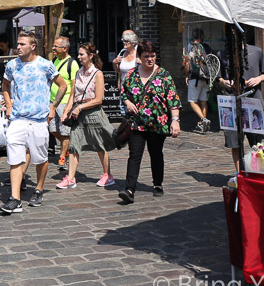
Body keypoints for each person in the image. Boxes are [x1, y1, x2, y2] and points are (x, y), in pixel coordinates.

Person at [0, 31, 68, 213]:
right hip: (18, 119)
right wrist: (8, 104)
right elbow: (5, 85)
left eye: (22, 44)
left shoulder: (45, 65)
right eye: (18, 44)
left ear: (33, 46)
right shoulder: (12, 65)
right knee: (15, 158)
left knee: (40, 158)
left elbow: (63, 85)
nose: (18, 47)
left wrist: (53, 106)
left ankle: (38, 188)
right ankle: (15, 199)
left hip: (38, 119)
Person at [119, 40, 181, 204]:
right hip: (136, 123)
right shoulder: (132, 74)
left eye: (153, 56)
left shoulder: (164, 75)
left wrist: (175, 120)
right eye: (146, 56)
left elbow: (173, 100)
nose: (150, 59)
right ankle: (129, 189)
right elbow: (123, 92)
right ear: (139, 57)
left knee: (156, 154)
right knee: (134, 156)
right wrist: (127, 103)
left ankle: (157, 184)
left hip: (157, 123)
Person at [59, 43, 117, 189]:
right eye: (78, 54)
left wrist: (80, 107)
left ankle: (107, 175)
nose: (78, 57)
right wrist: (67, 110)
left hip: (93, 113)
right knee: (74, 145)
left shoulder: (97, 74)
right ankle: (71, 178)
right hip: (78, 115)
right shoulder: (78, 72)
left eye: (82, 54)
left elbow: (99, 99)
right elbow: (73, 94)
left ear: (90, 56)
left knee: (99, 144)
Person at [217, 38, 264, 185]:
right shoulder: (222, 54)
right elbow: (219, 77)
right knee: (235, 142)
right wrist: (224, 82)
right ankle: (239, 173)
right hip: (231, 103)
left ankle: (259, 173)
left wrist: (259, 78)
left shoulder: (256, 51)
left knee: (260, 142)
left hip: (253, 102)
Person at [47, 37, 79, 174]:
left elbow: (73, 85)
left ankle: (62, 157)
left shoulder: (72, 64)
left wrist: (69, 105)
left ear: (64, 48)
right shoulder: (54, 61)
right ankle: (67, 146)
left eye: (56, 46)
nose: (53, 48)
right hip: (52, 101)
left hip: (65, 101)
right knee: (52, 129)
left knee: (65, 131)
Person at [183, 28, 213, 134]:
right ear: (203, 36)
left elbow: (186, 64)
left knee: (192, 101)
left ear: (193, 36)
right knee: (203, 101)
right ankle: (202, 124)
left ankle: (203, 119)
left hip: (195, 78)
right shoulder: (207, 48)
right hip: (206, 78)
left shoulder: (189, 47)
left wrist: (187, 74)